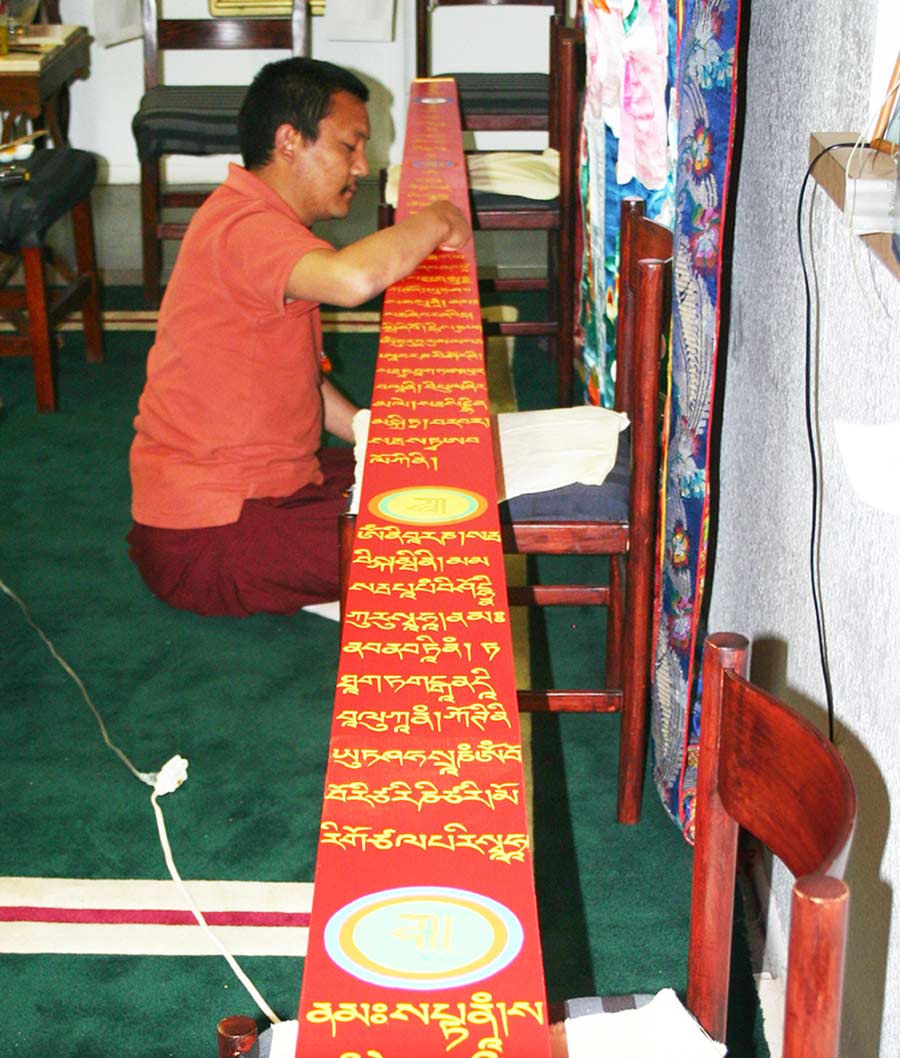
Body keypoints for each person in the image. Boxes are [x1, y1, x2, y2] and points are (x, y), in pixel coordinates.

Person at [127, 57, 470, 617]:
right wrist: (436, 217)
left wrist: (372, 434)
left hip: (264, 488)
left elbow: (301, 382)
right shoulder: (246, 228)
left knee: (437, 480)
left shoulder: (256, 220)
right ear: (289, 141)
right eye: (348, 146)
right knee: (444, 544)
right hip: (211, 530)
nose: (361, 166)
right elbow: (353, 279)